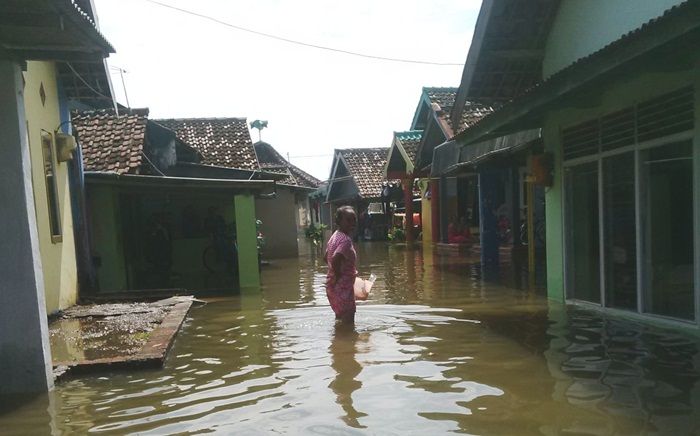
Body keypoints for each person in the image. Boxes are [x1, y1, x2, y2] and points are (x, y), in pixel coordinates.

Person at [326, 206, 359, 323]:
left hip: (333, 287)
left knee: (340, 321)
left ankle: (337, 341)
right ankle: (347, 341)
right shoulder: (345, 241)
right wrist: (339, 276)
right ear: (339, 222)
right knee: (348, 324)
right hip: (342, 287)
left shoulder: (334, 236)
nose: (352, 223)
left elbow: (326, 257)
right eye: (348, 220)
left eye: (354, 219)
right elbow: (335, 259)